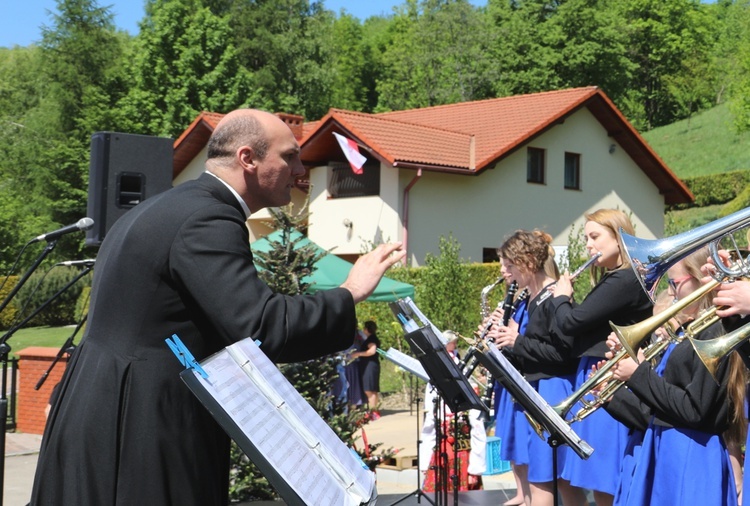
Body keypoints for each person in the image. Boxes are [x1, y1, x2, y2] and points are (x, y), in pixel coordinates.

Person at [29, 109, 405, 505]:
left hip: (103, 405)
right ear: (248, 159)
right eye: (289, 156)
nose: (300, 168)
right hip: (143, 422)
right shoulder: (207, 218)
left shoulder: (165, 207)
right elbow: (262, 325)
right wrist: (349, 292)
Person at [603, 246, 747, 505]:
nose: (669, 293)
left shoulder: (713, 331)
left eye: (673, 283)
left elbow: (693, 409)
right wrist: (611, 396)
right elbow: (657, 409)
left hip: (692, 453)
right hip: (670, 445)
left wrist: (639, 374)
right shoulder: (689, 332)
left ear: (698, 278)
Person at [550, 209, 653, 506]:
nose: (589, 246)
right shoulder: (616, 279)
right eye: (586, 238)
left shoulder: (623, 280)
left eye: (595, 237)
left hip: (611, 377)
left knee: (605, 477)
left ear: (619, 238)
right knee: (596, 477)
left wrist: (560, 297)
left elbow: (572, 322)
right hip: (601, 372)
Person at [489, 230, 587, 506]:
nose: (505, 271)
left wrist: (517, 341)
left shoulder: (552, 298)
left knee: (547, 479)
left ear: (528, 262)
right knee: (560, 481)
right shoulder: (532, 299)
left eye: (509, 265)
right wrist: (505, 347)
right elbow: (531, 353)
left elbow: (563, 356)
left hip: (552, 390)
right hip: (537, 389)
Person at [420, 330, 487, 492]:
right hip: (440, 456)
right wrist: (424, 461)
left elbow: (478, 429)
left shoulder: (468, 386)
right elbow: (429, 426)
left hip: (463, 457)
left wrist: (475, 468)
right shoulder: (434, 388)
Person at [350, 320, 381, 418]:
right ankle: (374, 410)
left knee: (369, 389)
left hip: (369, 366)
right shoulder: (371, 338)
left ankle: (372, 412)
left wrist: (358, 354)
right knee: (372, 389)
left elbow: (372, 351)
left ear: (367, 329)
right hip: (371, 365)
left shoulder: (371, 339)